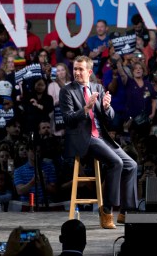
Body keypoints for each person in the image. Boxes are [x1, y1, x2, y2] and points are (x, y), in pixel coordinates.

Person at [59, 55, 137, 229]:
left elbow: (110, 119)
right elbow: (68, 119)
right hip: (84, 139)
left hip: (102, 137)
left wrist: (107, 107)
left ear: (89, 71)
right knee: (116, 163)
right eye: (75, 69)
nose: (77, 72)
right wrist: (86, 109)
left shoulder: (98, 88)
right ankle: (107, 211)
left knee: (131, 164)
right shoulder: (67, 91)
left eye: (80, 69)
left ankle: (127, 211)